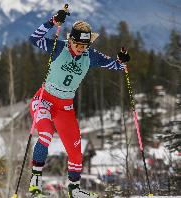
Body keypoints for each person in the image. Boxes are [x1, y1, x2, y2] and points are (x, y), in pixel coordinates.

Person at [28, 8, 130, 198]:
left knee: (76, 149)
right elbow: (34, 39)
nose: (81, 48)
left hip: (65, 107)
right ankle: (35, 182)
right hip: (44, 101)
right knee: (46, 134)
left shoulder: (90, 56)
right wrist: (52, 22)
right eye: (78, 45)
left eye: (85, 45)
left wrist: (122, 60)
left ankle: (74, 190)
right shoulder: (58, 47)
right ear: (71, 41)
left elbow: (116, 66)